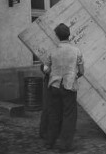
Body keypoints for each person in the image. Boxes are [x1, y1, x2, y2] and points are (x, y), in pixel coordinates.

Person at [43, 23, 84, 152]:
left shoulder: (52, 50)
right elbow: (82, 71)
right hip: (69, 86)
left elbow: (45, 69)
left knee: (54, 114)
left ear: (57, 36)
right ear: (69, 34)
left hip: (54, 86)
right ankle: (66, 145)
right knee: (69, 115)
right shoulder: (76, 50)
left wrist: (51, 73)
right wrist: (74, 76)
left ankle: (50, 142)